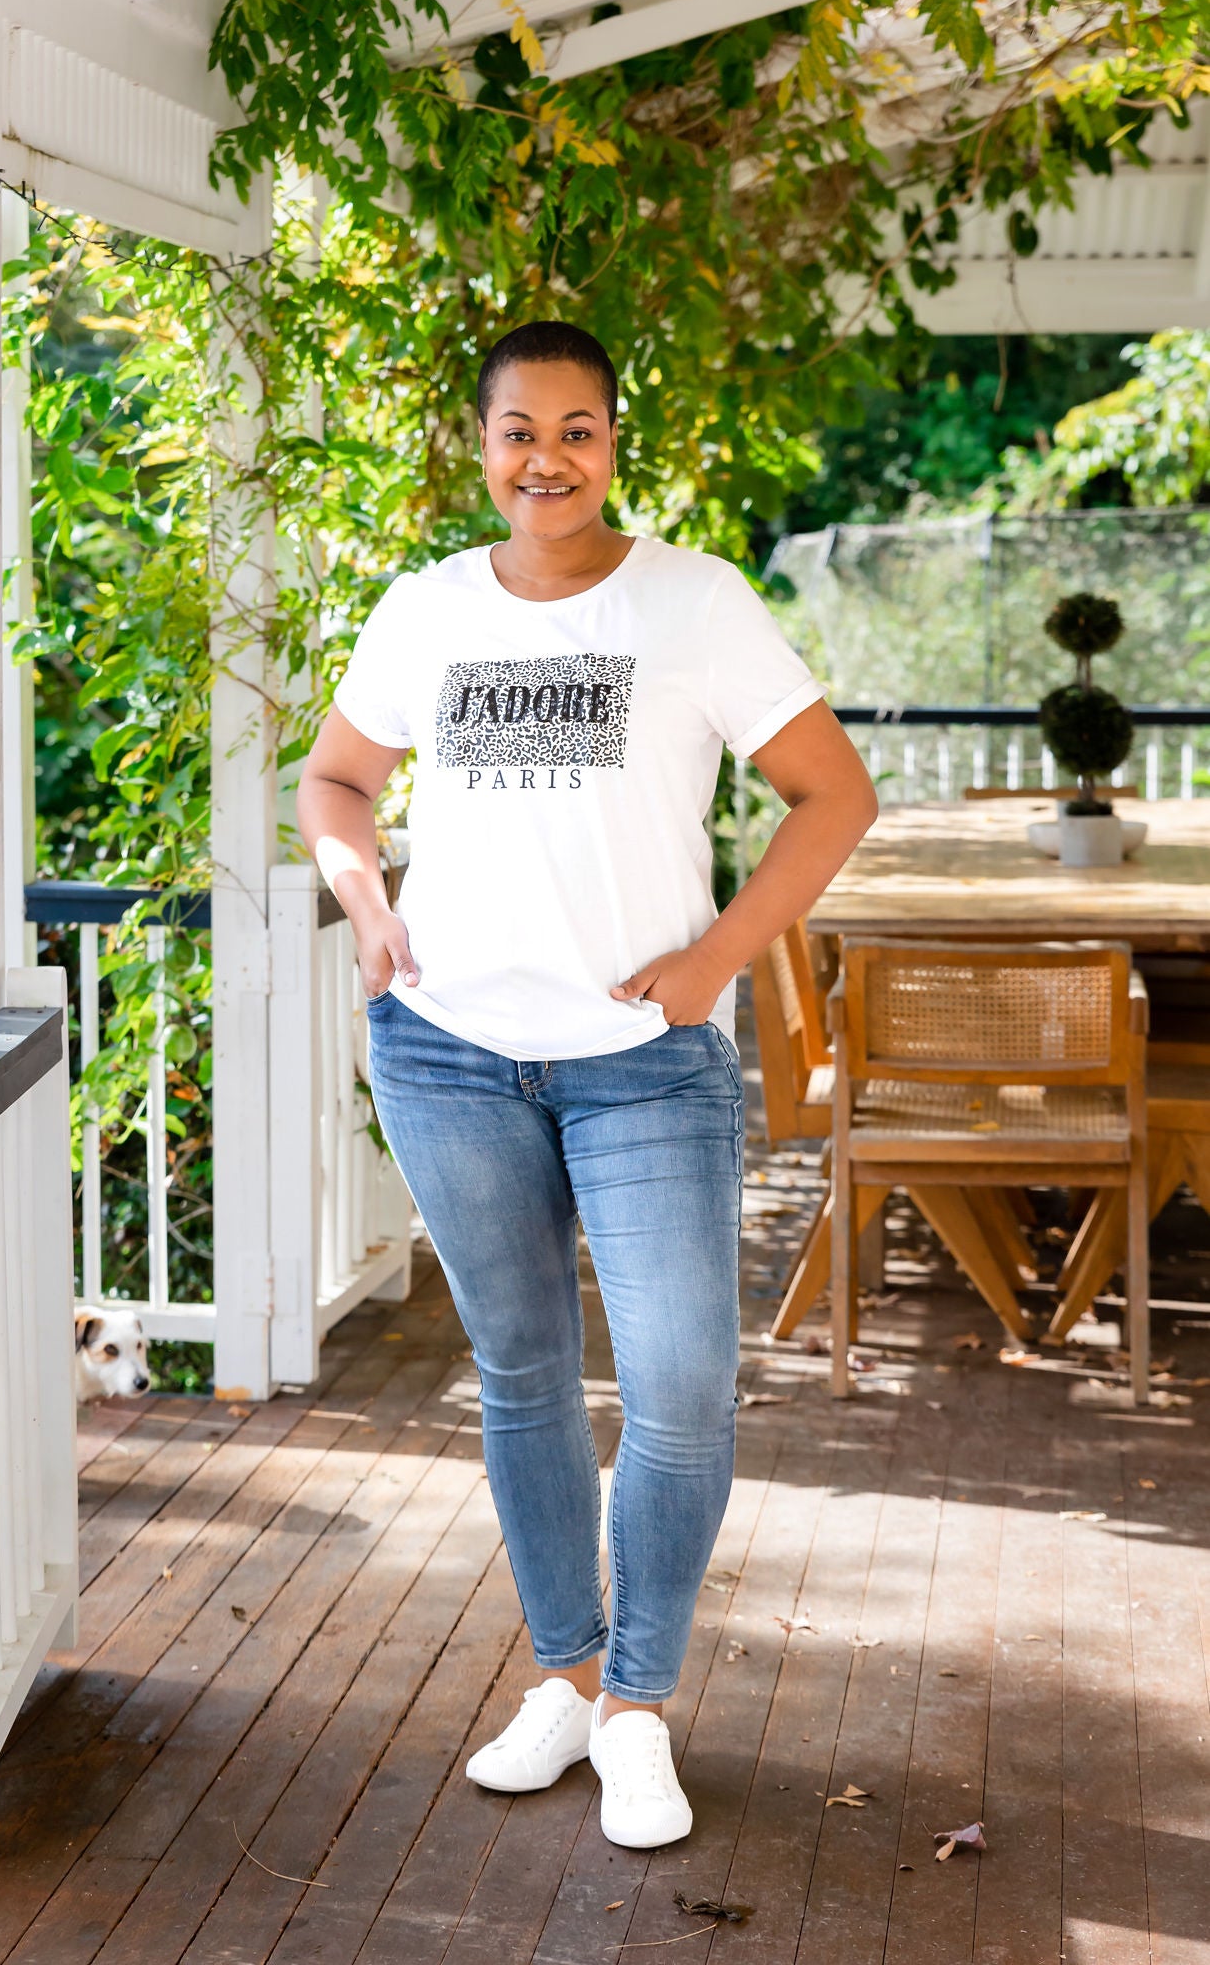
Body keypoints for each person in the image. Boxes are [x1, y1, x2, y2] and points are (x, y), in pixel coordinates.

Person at [296, 321, 876, 1850]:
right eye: (515, 431)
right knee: (525, 1376)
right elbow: (333, 780)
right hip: (446, 1051)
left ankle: (636, 1708)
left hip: (644, 1064)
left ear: (616, 440)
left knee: (681, 1388)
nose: (543, 459)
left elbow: (835, 794)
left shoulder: (693, 604)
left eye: (576, 429)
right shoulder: (423, 611)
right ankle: (560, 1677)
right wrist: (368, 905)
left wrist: (720, 960)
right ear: (476, 446)